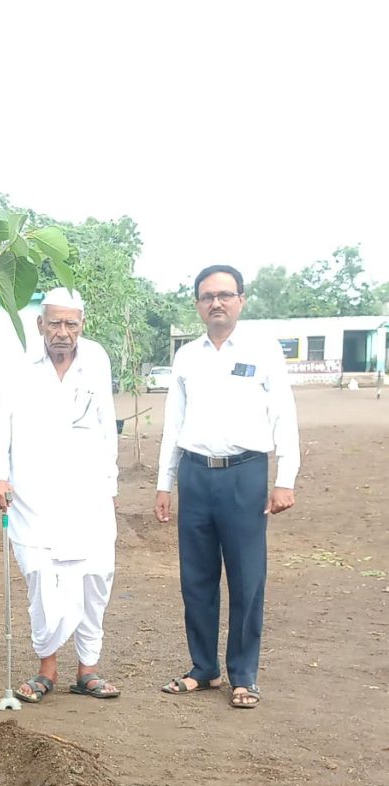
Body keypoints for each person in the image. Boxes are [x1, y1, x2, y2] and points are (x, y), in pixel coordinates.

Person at [154, 264, 300, 709]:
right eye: (206, 296)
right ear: (198, 304)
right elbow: (173, 423)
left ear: (241, 300)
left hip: (246, 475)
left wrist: (285, 479)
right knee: (196, 578)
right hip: (196, 475)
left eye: (224, 294)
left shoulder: (264, 350)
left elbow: (284, 416)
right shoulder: (186, 357)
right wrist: (166, 483)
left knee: (246, 578)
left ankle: (243, 674)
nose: (215, 302)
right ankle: (203, 668)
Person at [0, 287, 120, 703]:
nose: (63, 332)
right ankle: (47, 669)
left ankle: (88, 671)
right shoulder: (20, 366)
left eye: (71, 323)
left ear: (81, 325)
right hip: (33, 495)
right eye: (55, 323)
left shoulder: (97, 361)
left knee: (95, 579)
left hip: (89, 495)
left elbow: (106, 423)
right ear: (40, 324)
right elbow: (0, 424)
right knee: (41, 577)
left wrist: (111, 485)